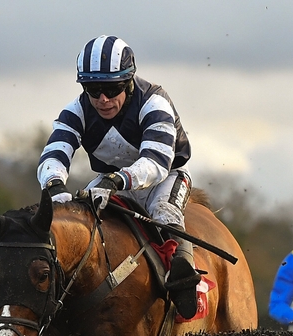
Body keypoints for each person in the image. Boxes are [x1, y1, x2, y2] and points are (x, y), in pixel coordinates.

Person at [37, 35, 200, 319]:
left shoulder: (154, 102)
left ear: (128, 82)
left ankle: (184, 277)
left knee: (164, 212)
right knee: (74, 216)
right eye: (93, 88)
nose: (102, 99)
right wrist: (54, 186)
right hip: (113, 181)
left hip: (165, 177)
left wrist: (118, 181)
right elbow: (54, 152)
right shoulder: (76, 110)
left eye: (111, 88)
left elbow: (156, 161)